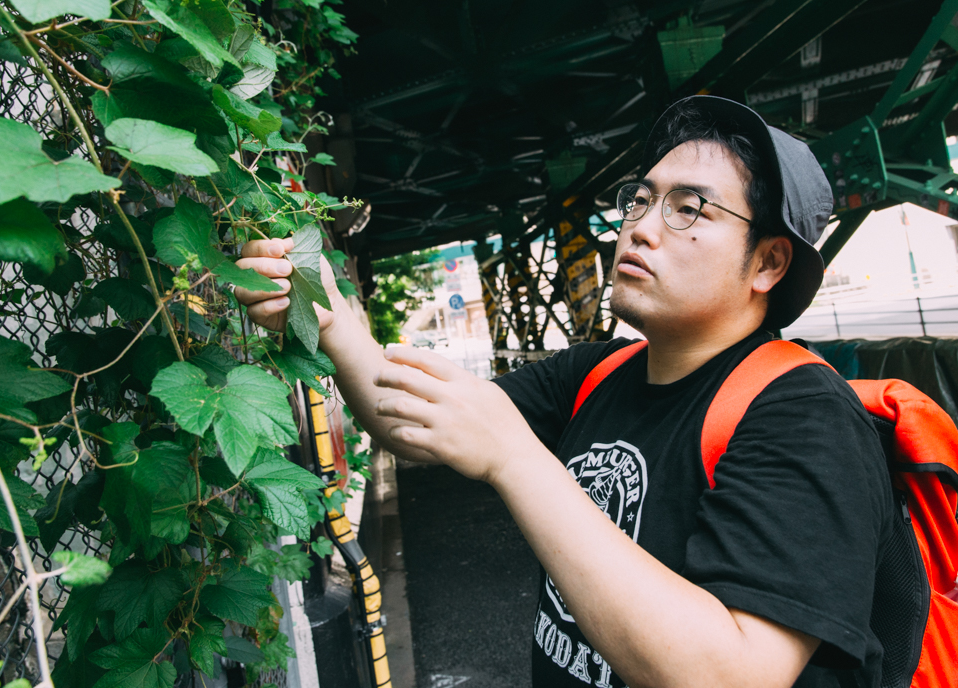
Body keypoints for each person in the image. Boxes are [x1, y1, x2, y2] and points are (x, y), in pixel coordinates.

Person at [233, 96, 892, 688]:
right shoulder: (596, 374)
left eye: (688, 208)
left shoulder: (804, 417)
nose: (640, 227)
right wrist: (328, 320)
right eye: (641, 198)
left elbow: (727, 676)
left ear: (769, 262)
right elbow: (408, 418)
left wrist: (516, 459)